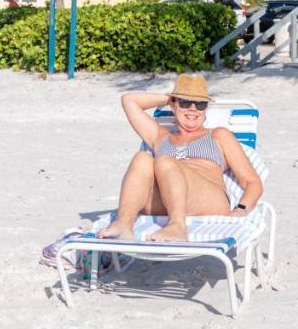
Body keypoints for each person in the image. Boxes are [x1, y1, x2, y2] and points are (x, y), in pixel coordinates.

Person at [97, 74, 262, 243]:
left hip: (208, 198)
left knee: (163, 161)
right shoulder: (160, 136)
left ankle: (177, 226)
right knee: (142, 158)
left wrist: (242, 209)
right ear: (174, 105)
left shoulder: (218, 135)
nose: (192, 109)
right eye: (184, 103)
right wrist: (170, 98)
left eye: (200, 104)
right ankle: (124, 223)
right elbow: (129, 100)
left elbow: (252, 182)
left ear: (206, 109)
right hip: (165, 200)